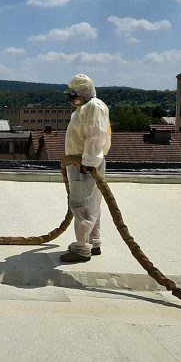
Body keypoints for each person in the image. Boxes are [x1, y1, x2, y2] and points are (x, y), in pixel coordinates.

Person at [60, 73, 111, 263]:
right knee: (92, 204)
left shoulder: (93, 107)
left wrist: (88, 164)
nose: (71, 97)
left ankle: (81, 248)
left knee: (80, 205)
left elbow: (95, 136)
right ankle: (93, 242)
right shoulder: (85, 108)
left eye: (73, 93)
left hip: (85, 163)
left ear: (82, 91)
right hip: (84, 162)